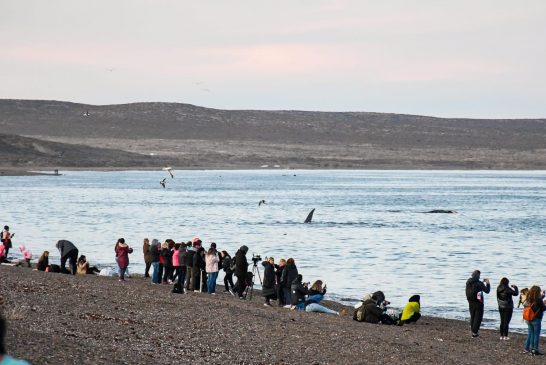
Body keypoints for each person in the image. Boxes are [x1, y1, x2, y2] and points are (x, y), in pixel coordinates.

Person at [465, 270, 491, 338]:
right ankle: (475, 333)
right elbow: (487, 291)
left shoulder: (468, 282)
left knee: (472, 316)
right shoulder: (479, 283)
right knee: (478, 317)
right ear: (478, 276)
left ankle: (473, 331)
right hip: (479, 302)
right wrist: (487, 283)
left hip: (470, 301)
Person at [524, 285, 546, 356]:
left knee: (531, 333)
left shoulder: (528, 297)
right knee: (536, 334)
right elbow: (543, 308)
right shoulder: (538, 299)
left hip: (528, 318)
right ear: (538, 292)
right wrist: (544, 303)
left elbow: (534, 304)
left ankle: (528, 349)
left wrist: (542, 298)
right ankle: (535, 350)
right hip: (536, 318)